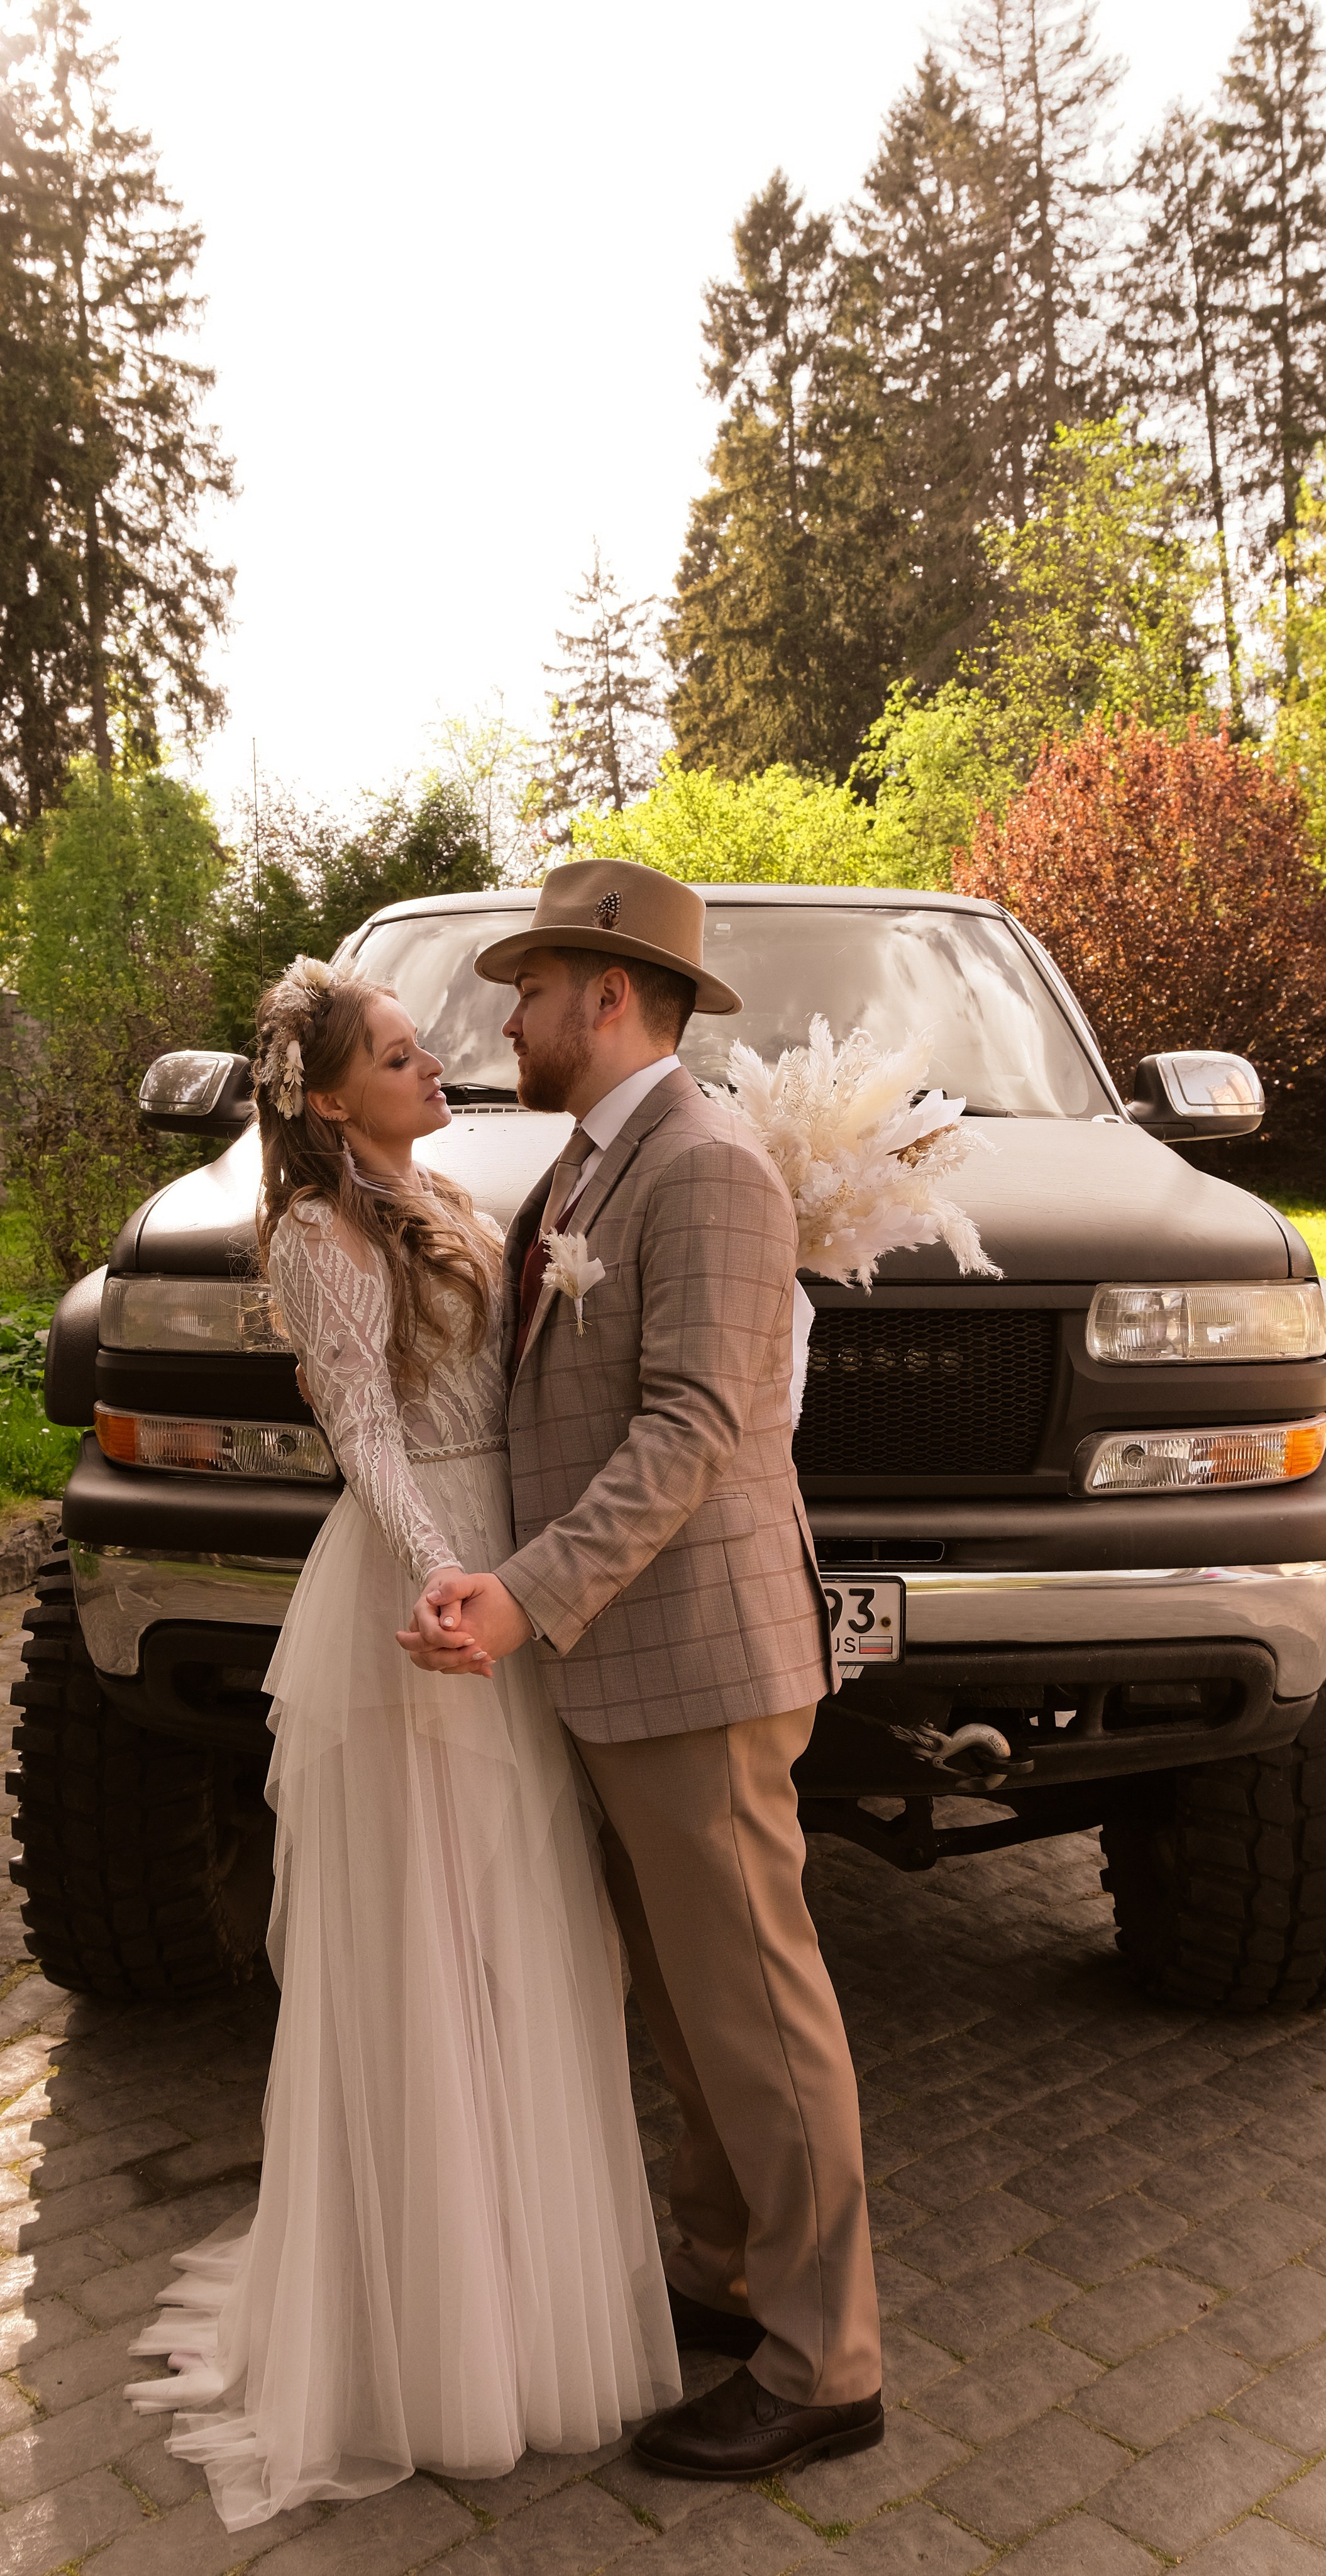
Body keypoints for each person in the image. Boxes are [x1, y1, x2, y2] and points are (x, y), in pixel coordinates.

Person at [124, 953, 679, 2529]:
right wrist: (449, 1578)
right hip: (423, 1589)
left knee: (519, 1928)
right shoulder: (311, 1230)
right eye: (393, 1053)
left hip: (499, 1569)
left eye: (425, 1045)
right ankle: (433, 2334)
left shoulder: (444, 1200)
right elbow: (359, 1419)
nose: (433, 1063)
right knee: (435, 1942)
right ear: (320, 1097)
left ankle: (520, 2273)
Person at [401, 857, 883, 2482]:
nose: (509, 1016)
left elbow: (691, 1428)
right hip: (638, 1660)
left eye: (530, 989)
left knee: (756, 2008)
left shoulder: (709, 1167)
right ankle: (735, 2270)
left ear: (609, 996)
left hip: (700, 1660)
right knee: (691, 2005)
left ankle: (830, 2366)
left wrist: (529, 1597)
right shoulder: (591, 1168)